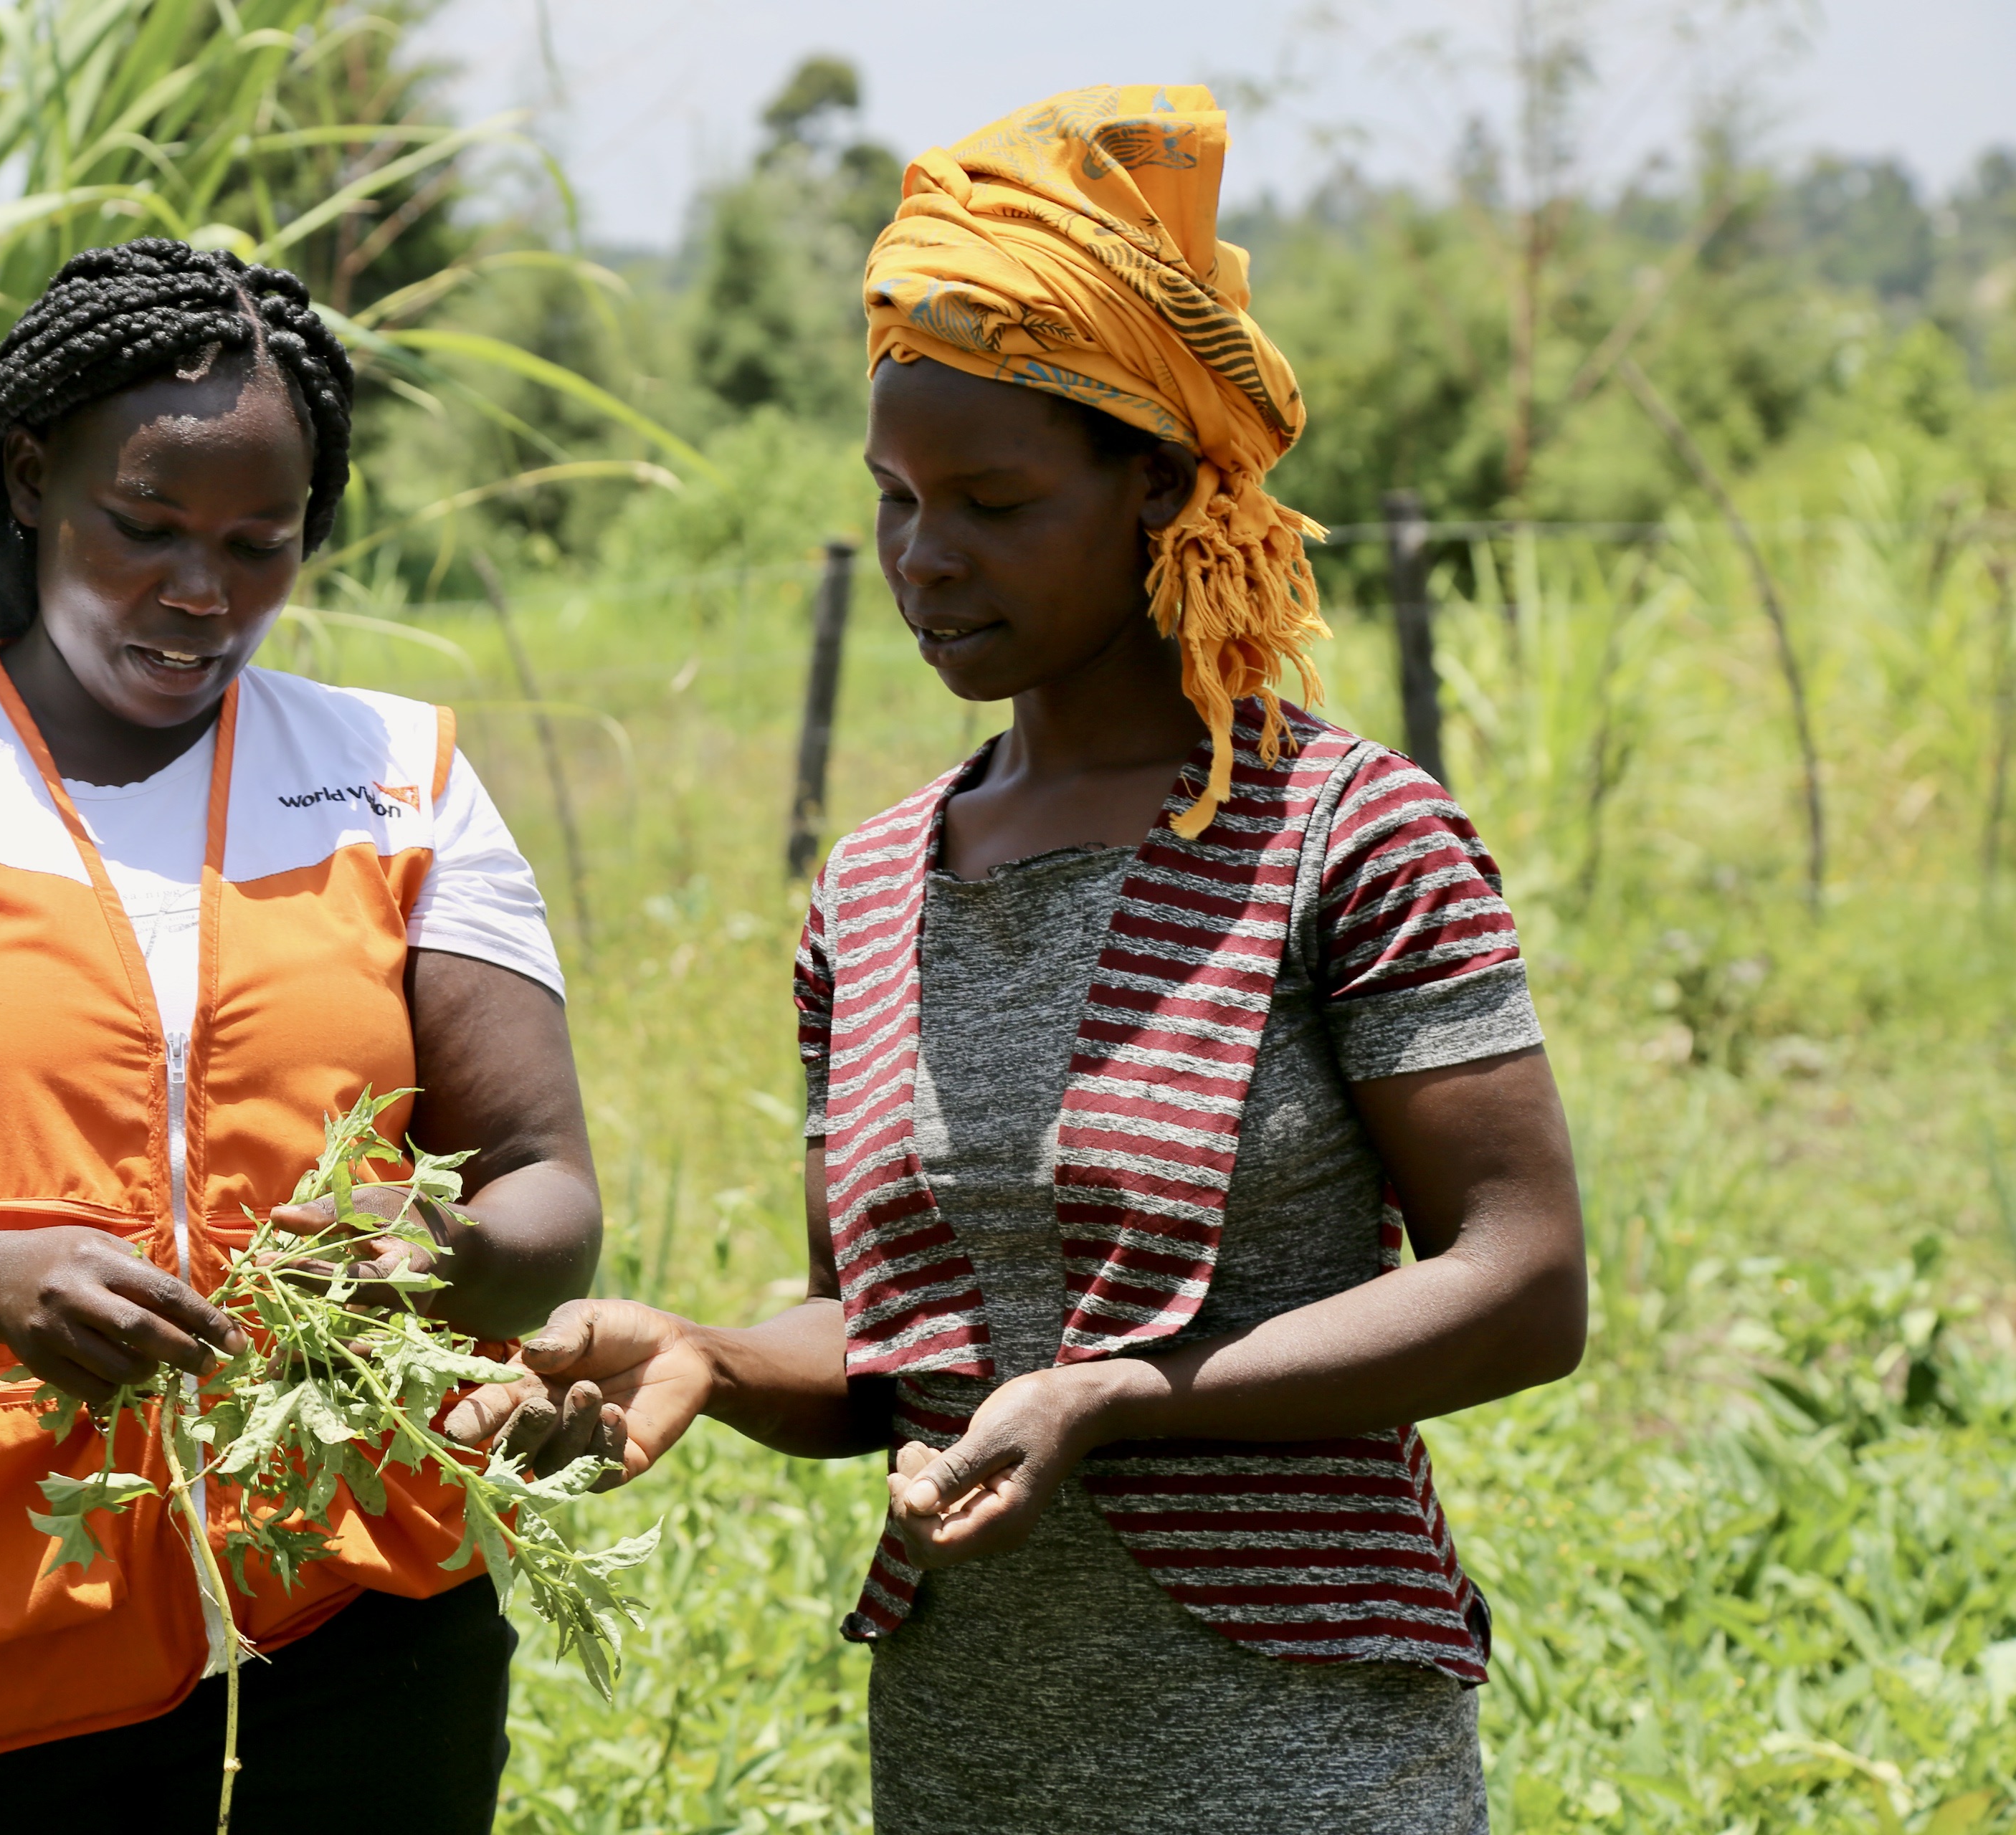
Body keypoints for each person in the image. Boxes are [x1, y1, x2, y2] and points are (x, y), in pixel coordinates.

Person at [455, 85, 1588, 1832]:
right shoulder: (878, 884)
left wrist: (1118, 1399)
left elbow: (1523, 1276)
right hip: (974, 1751)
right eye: (898, 497)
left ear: (1154, 480)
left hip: (1297, 1752)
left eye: (990, 497)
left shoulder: (1345, 837)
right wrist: (703, 1350)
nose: (925, 557)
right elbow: (893, 1344)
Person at [0, 239, 605, 1834]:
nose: (200, 592)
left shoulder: (399, 779)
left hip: (361, 1621)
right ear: (31, 478)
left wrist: (430, 1247)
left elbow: (548, 1188)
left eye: (258, 542)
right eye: (143, 529)